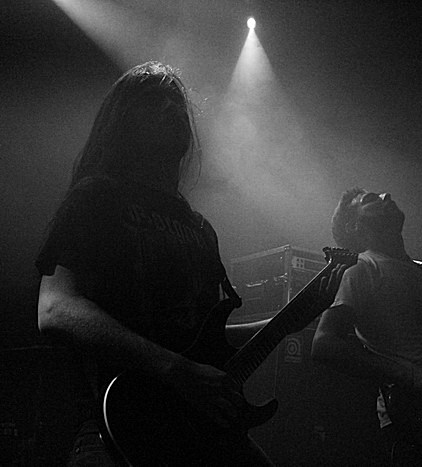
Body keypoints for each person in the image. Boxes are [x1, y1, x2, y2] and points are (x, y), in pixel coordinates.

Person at [36, 61, 342, 466]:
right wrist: (175, 369)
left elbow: (204, 339)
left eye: (176, 100)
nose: (172, 107)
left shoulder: (199, 228)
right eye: (155, 100)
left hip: (197, 427)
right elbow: (56, 309)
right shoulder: (98, 198)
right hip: (119, 424)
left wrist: (290, 319)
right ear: (124, 121)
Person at [311, 188, 422, 466]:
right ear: (354, 225)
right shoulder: (360, 270)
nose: (385, 195)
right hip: (410, 421)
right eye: (370, 200)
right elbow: (324, 344)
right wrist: (412, 375)